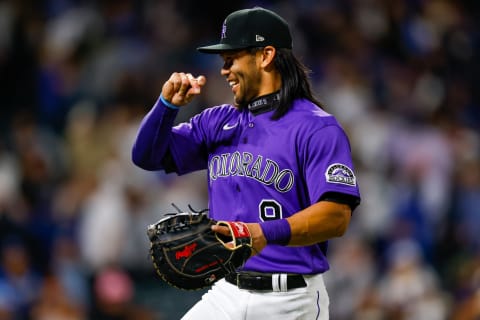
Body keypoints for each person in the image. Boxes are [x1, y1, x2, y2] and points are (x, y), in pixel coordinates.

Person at [131, 6, 361, 320]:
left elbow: (336, 217)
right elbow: (146, 156)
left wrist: (265, 232)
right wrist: (166, 105)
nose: (224, 71)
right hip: (226, 294)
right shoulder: (217, 122)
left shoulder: (316, 128)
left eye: (231, 60)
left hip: (289, 298)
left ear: (265, 55)